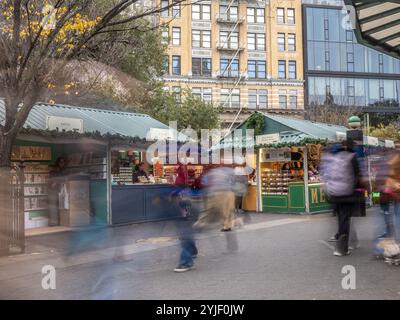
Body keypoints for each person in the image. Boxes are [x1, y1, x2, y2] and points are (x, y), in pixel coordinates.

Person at [322, 139, 361, 256]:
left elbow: (326, 174)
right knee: (345, 218)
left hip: (333, 193)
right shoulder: (352, 157)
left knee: (340, 217)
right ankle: (341, 248)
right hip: (346, 193)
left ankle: (342, 241)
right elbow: (357, 175)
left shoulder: (334, 156)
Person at [48, 156, 67, 226]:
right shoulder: (54, 171)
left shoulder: (63, 171)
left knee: (60, 207)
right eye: (61, 162)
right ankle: (53, 223)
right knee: (54, 207)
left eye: (63, 162)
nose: (62, 163)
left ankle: (59, 222)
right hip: (54, 191)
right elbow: (52, 183)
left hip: (60, 191)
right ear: (58, 163)